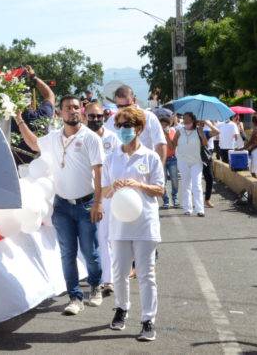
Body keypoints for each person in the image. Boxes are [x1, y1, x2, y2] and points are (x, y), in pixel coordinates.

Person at [17, 96, 104, 315]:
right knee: (67, 253)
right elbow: (33, 143)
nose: (73, 111)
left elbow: (98, 172)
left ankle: (95, 285)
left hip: (86, 205)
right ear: (60, 112)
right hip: (62, 206)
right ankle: (75, 297)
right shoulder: (53, 138)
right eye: (68, 108)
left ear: (81, 111)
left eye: (76, 107)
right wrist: (19, 120)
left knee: (90, 252)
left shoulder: (91, 138)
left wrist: (98, 203)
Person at [102, 106, 164, 341]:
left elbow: (160, 189)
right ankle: (121, 308)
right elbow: (104, 191)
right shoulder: (111, 157)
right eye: (119, 126)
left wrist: (139, 185)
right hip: (118, 224)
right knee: (119, 272)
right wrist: (114, 187)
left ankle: (148, 320)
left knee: (147, 274)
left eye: (127, 126)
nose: (123, 130)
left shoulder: (151, 157)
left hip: (145, 224)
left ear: (139, 128)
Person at [84, 102, 119, 296]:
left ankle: (108, 280)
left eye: (99, 116)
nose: (96, 119)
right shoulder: (79, 138)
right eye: (91, 116)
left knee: (105, 237)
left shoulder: (113, 138)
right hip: (84, 195)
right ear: (84, 116)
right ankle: (93, 276)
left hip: (106, 196)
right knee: (90, 239)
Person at [105, 85, 167, 164]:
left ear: (134, 100)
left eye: (127, 105)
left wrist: (159, 170)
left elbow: (160, 144)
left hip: (145, 166)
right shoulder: (111, 120)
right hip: (120, 169)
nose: (124, 109)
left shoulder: (148, 117)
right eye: (120, 106)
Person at [11, 66, 55, 164]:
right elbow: (50, 95)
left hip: (11, 170)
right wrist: (33, 77)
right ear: (31, 101)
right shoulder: (42, 115)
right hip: (39, 168)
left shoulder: (5, 117)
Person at [173, 112, 209, 217]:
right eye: (184, 119)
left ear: (193, 120)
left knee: (197, 184)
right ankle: (187, 208)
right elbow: (173, 144)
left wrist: (202, 134)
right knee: (186, 184)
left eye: (187, 119)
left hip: (196, 162)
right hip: (183, 161)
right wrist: (166, 133)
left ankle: (200, 209)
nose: (185, 120)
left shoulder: (198, 130)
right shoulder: (179, 131)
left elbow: (205, 144)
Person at [160, 116, 179, 209]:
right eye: (162, 124)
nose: (163, 126)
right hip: (160, 160)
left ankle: (175, 198)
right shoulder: (157, 133)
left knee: (174, 180)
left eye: (165, 124)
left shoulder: (172, 132)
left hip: (172, 158)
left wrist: (167, 135)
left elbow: (172, 147)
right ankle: (166, 200)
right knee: (162, 181)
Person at [200, 120, 220, 209]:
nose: (201, 123)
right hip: (194, 158)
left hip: (206, 157)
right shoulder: (192, 132)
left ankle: (207, 200)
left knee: (210, 178)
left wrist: (208, 124)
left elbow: (217, 132)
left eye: (202, 122)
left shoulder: (205, 132)